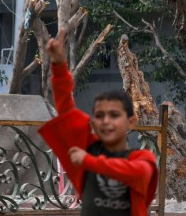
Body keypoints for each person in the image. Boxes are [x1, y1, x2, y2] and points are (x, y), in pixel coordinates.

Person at [39, 30, 158, 216]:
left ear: (131, 121)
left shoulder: (142, 158)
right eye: (100, 115)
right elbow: (66, 110)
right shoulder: (89, 149)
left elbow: (137, 174)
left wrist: (88, 161)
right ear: (93, 122)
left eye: (114, 115)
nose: (106, 121)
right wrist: (59, 65)